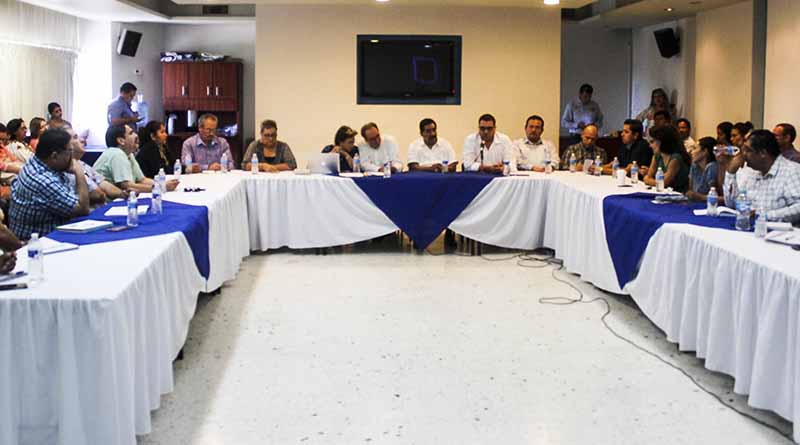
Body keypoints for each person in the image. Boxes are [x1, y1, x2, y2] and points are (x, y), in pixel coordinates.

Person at [9, 128, 90, 239]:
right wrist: (79, 172)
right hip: (40, 243)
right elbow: (83, 209)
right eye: (70, 152)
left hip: (51, 234)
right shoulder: (42, 180)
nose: (72, 157)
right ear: (54, 156)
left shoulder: (37, 162)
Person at [718, 130, 800, 223]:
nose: (743, 155)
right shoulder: (750, 171)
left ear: (763, 153)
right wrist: (731, 173)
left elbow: (798, 207)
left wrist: (765, 216)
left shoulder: (791, 171)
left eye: (748, 150)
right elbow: (731, 204)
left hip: (778, 230)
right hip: (749, 226)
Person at [95, 125, 178, 194]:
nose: (136, 135)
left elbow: (142, 180)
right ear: (121, 141)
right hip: (106, 204)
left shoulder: (128, 154)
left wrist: (162, 184)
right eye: (131, 133)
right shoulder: (116, 153)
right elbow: (127, 186)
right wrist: (160, 187)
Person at [65, 127, 124, 205]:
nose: (82, 140)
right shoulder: (68, 169)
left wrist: (123, 194)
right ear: (66, 146)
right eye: (75, 137)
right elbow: (97, 195)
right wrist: (104, 196)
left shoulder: (81, 163)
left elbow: (104, 184)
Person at [643, 125, 690, 193]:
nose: (650, 146)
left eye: (652, 142)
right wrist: (650, 180)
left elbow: (663, 183)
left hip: (677, 194)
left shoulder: (675, 158)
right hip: (663, 192)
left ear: (662, 142)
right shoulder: (657, 156)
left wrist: (648, 180)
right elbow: (649, 176)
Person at [686, 137, 719, 202]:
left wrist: (699, 197)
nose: (692, 152)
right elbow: (691, 190)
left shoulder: (712, 167)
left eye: (695, 148)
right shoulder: (694, 166)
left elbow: (714, 194)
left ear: (705, 151)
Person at [0, 124, 23, 200]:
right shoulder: (14, 146)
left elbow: (14, 159)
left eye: (3, 139)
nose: (1, 142)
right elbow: (3, 166)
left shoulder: (2, 147)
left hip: (10, 169)